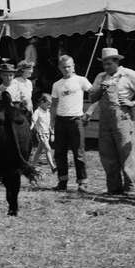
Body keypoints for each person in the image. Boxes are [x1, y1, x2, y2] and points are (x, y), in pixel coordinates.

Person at [88, 48, 135, 195]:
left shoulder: (128, 74)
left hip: (122, 117)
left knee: (126, 152)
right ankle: (113, 187)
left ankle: (130, 187)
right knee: (107, 153)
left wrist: (134, 102)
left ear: (117, 62)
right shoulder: (100, 77)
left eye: (109, 64)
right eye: (104, 64)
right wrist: (101, 89)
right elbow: (92, 98)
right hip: (105, 118)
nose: (106, 67)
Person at [50, 54, 92, 192]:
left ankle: (82, 182)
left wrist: (89, 111)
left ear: (73, 66)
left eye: (69, 66)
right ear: (59, 68)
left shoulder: (81, 80)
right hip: (61, 121)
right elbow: (54, 105)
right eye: (64, 67)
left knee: (78, 152)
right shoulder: (57, 84)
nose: (66, 69)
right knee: (59, 153)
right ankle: (62, 181)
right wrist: (52, 122)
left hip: (76, 120)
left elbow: (94, 95)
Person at [30, 93, 57, 174]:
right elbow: (33, 121)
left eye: (50, 105)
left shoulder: (48, 112)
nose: (49, 106)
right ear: (42, 102)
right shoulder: (37, 112)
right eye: (48, 104)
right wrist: (30, 128)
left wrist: (52, 133)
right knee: (48, 148)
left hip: (47, 134)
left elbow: (49, 124)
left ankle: (32, 167)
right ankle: (53, 166)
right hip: (40, 134)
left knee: (39, 151)